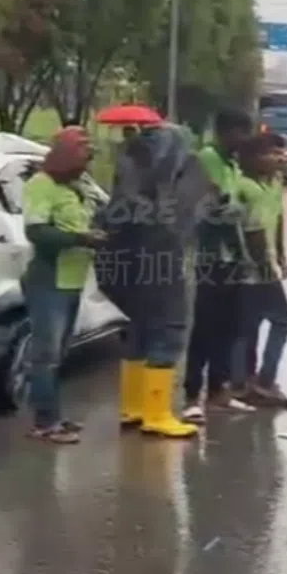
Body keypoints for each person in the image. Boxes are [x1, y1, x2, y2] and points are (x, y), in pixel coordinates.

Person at [97, 125, 219, 439]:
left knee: (136, 333)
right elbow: (188, 218)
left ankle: (133, 407)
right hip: (164, 263)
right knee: (169, 330)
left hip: (123, 266)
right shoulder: (184, 171)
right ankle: (157, 413)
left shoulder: (128, 169)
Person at [21, 126, 105, 444]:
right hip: (48, 280)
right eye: (83, 152)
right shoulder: (41, 185)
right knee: (46, 355)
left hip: (72, 282)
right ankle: (45, 423)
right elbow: (37, 233)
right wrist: (81, 238)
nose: (89, 158)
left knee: (60, 354)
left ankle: (54, 415)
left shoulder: (76, 186)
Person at [181, 107, 256, 422]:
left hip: (232, 257)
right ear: (225, 132)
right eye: (241, 133)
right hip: (209, 256)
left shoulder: (232, 164)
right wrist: (228, 208)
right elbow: (210, 205)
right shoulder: (206, 159)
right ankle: (191, 395)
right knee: (205, 328)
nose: (244, 140)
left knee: (229, 327)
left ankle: (218, 391)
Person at [229, 133, 287, 407]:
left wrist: (280, 254)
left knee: (248, 326)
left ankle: (241, 383)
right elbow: (254, 232)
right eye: (271, 153)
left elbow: (277, 219)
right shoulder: (246, 187)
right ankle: (264, 382)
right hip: (252, 269)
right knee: (283, 322)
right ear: (252, 159)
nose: (278, 158)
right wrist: (268, 270)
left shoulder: (273, 183)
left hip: (264, 265)